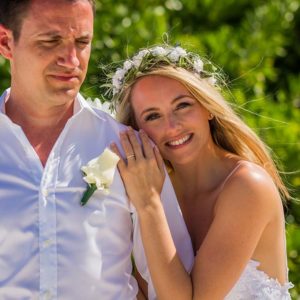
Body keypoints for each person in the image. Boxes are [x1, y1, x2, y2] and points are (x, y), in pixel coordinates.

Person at [0, 2, 193, 299]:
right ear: (5, 43)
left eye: (82, 42)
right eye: (51, 41)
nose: (71, 60)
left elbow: (173, 292)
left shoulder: (130, 148)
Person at [107, 44, 294, 299]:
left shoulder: (248, 186)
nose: (172, 126)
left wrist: (149, 205)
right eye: (152, 116)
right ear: (137, 131)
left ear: (207, 107)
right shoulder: (154, 187)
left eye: (182, 105)